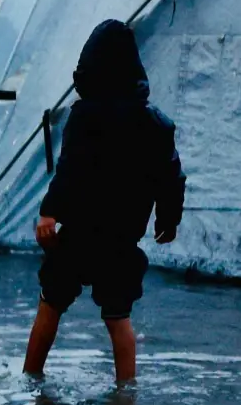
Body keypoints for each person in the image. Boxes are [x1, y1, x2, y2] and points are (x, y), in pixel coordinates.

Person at [24, 20, 185, 383]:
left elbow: (68, 171)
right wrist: (168, 219)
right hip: (121, 240)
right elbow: (171, 176)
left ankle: (30, 378)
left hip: (78, 234)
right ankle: (125, 398)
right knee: (118, 318)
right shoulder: (156, 126)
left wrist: (49, 212)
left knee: (50, 304)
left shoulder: (84, 118)